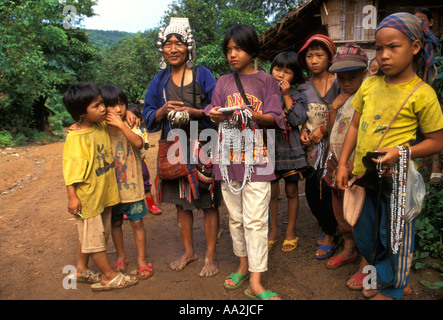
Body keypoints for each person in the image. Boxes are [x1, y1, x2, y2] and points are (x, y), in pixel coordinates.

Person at [335, 12, 443, 300]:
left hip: (397, 181)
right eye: (380, 48)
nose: (384, 55)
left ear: (415, 47)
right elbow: (355, 125)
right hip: (364, 176)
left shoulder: (423, 94)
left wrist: (401, 152)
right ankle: (377, 278)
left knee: (394, 237)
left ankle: (394, 289)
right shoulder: (370, 84)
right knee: (366, 235)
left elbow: (437, 142)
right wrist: (343, 164)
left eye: (393, 47)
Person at [205, 24, 285, 300]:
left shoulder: (266, 81)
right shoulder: (223, 81)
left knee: (256, 220)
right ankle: (241, 264)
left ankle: (255, 280)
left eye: (238, 48)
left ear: (251, 49)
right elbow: (211, 110)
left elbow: (275, 117)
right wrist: (215, 114)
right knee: (236, 219)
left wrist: (251, 115)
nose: (232, 54)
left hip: (258, 159)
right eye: (228, 50)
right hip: (227, 159)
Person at [142, 18, 221, 277]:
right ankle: (189, 251)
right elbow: (147, 115)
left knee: (208, 202)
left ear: (188, 47)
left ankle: (210, 255)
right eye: (168, 44)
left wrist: (196, 112)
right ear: (162, 49)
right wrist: (162, 111)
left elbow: (217, 106)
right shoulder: (159, 81)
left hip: (204, 142)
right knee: (180, 203)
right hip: (174, 146)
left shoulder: (203, 74)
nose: (173, 48)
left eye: (178, 43)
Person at [62, 82, 138, 291]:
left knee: (89, 235)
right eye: (96, 106)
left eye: (101, 103)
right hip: (88, 199)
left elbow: (119, 112)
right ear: (81, 113)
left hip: (102, 195)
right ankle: (108, 275)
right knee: (94, 239)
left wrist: (130, 111)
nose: (103, 109)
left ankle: (80, 269)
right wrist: (72, 197)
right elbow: (71, 171)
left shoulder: (99, 125)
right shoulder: (76, 138)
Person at [324, 43, 368, 271]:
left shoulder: (367, 97)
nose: (346, 82)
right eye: (341, 78)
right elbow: (332, 131)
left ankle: (365, 258)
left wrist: (353, 162)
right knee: (339, 207)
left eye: (352, 77)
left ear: (365, 73)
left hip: (355, 163)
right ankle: (349, 247)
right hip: (336, 160)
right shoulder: (340, 98)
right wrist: (333, 109)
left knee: (359, 210)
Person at [101, 85, 153, 280]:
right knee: (115, 224)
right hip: (111, 191)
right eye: (112, 106)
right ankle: (121, 256)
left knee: (137, 223)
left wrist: (123, 125)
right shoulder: (100, 129)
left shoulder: (131, 125)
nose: (118, 109)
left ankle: (141, 260)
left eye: (122, 104)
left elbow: (139, 143)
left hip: (133, 189)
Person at [297, 34, 341, 259]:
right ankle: (331, 229)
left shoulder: (340, 83)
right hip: (312, 151)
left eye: (319, 55)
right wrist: (303, 131)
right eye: (309, 55)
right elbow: (298, 116)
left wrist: (324, 128)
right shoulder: (303, 88)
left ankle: (332, 234)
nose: (313, 60)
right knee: (314, 191)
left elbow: (347, 112)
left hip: (336, 148)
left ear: (330, 57)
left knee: (330, 190)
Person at [268, 51, 308, 252]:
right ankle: (273, 231)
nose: (281, 75)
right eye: (277, 69)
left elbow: (297, 120)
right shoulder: (264, 93)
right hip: (269, 150)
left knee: (292, 191)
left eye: (287, 71)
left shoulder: (298, 96)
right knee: (271, 193)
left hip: (290, 151)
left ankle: (290, 232)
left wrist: (285, 95)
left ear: (295, 75)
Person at [413, 8, 442, 184]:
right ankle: (421, 163)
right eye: (415, 21)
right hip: (415, 88)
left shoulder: (434, 45)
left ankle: (436, 165)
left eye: (423, 21)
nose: (419, 25)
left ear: (431, 22)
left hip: (431, 89)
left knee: (433, 123)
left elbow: (432, 69)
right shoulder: (411, 44)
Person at [127, 104, 162, 215]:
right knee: (129, 184)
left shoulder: (141, 130)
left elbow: (143, 145)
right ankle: (130, 207)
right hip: (128, 163)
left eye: (135, 118)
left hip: (141, 161)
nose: (131, 121)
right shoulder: (124, 130)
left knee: (146, 183)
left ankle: (151, 204)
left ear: (139, 118)